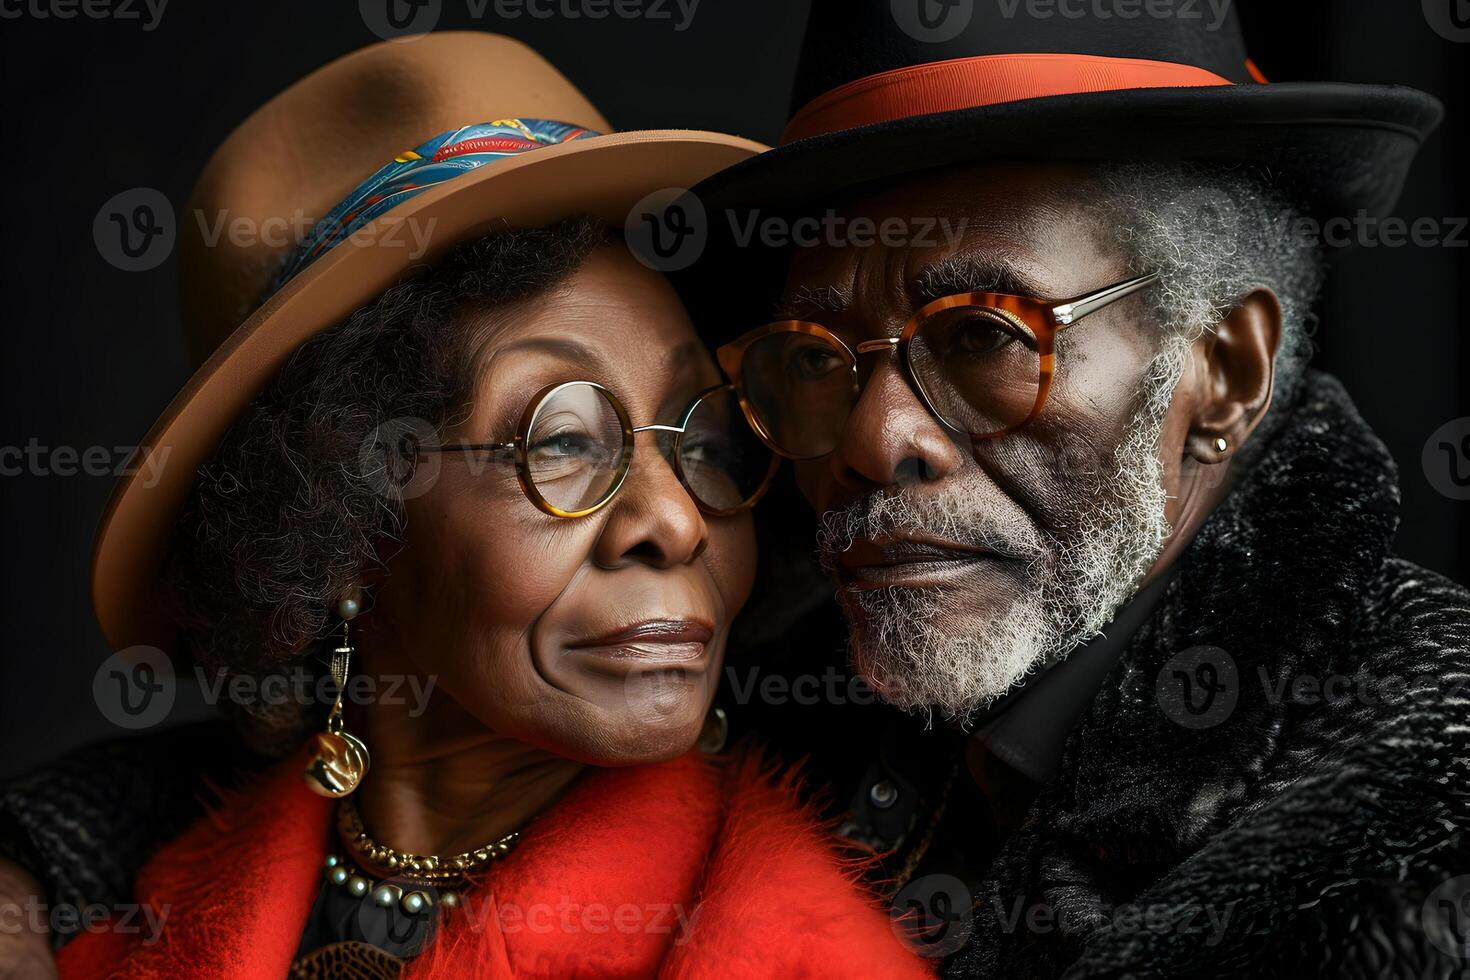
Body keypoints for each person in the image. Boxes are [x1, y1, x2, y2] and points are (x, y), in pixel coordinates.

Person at [4, 33, 932, 979]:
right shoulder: (105, 922)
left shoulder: (795, 955)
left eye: (701, 438)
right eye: (564, 441)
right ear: (337, 522)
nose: (681, 520)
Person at [679, 1, 1470, 975]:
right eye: (814, 357)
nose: (874, 437)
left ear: (1222, 370)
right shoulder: (745, 722)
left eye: (983, 336)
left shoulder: (1426, 801)